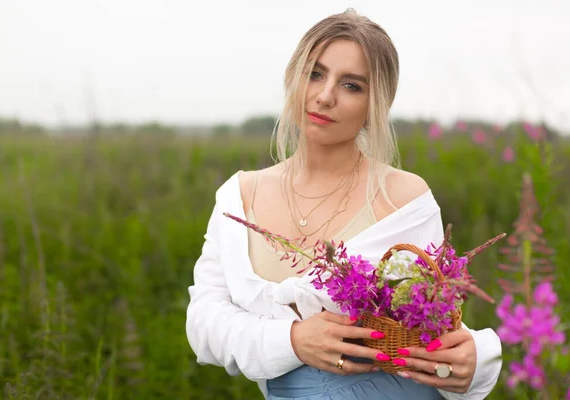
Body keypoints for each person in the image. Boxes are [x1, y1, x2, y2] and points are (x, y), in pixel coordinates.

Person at [186, 8, 502, 400]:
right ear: (293, 77)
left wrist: (479, 357)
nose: (325, 95)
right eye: (314, 73)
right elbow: (204, 323)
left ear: (376, 105)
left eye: (351, 85)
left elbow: (428, 324)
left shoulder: (403, 199)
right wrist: (293, 339)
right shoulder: (239, 196)